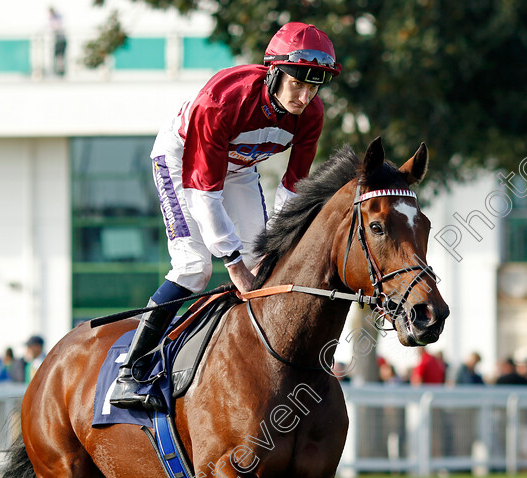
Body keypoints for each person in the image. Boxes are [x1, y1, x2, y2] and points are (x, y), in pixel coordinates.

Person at [109, 22, 341, 410]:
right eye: (297, 83)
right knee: (195, 267)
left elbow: (292, 188)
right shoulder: (221, 101)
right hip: (183, 161)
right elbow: (204, 192)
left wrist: (273, 246)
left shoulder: (311, 114)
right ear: (274, 72)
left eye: (314, 86)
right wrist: (231, 262)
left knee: (265, 262)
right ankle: (129, 371)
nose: (305, 96)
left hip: (238, 167)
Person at [48, 7, 66, 76]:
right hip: (57, 39)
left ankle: (60, 70)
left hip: (60, 39)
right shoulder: (53, 18)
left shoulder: (58, 18)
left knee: (60, 55)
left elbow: (58, 27)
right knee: (57, 55)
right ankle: (58, 69)